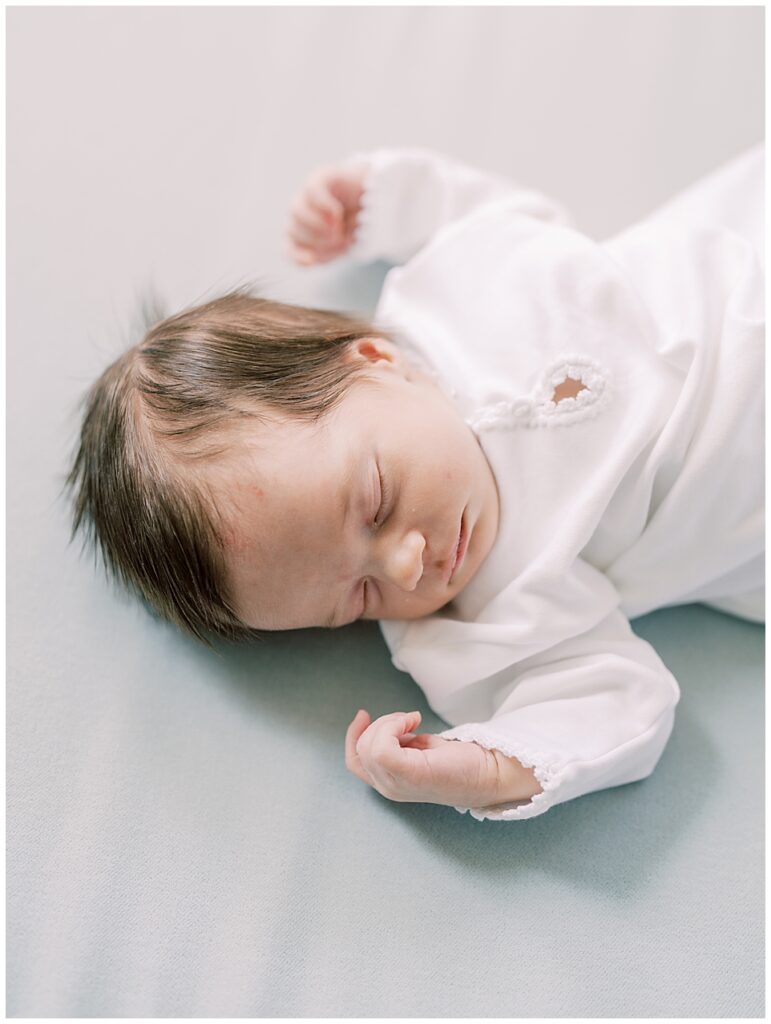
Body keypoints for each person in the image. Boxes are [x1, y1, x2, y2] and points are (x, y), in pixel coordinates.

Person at [68, 145, 765, 821]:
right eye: (359, 598)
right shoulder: (471, 624)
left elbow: (503, 218)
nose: (408, 564)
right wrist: (488, 765)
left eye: (376, 503)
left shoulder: (450, 294)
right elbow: (617, 701)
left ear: (376, 358)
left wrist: (377, 200)